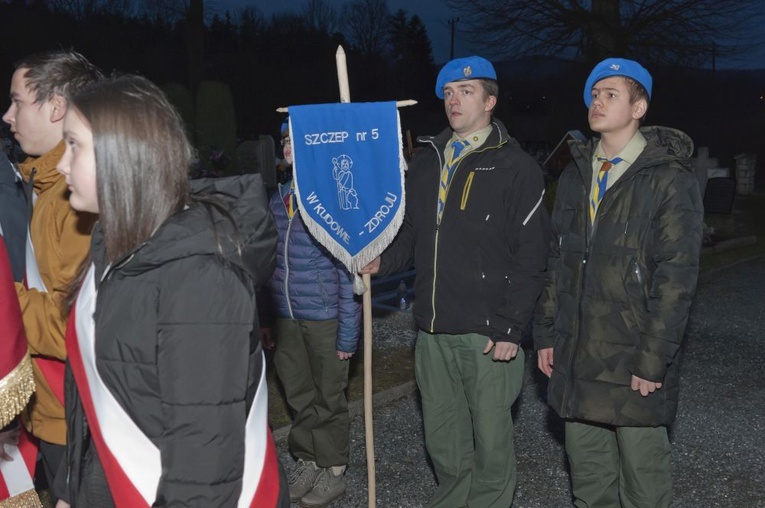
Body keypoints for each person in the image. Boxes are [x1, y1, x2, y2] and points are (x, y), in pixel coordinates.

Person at [54, 74, 288, 507]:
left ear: (122, 156)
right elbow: (102, 399)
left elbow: (203, 470)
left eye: (74, 146)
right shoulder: (112, 247)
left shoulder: (201, 280)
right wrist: (72, 491)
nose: (60, 164)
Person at [361, 55, 549, 507]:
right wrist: (381, 262)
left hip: (487, 333)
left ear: (490, 101)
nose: (454, 101)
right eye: (447, 93)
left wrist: (510, 327)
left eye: (466, 92)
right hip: (431, 328)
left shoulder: (516, 167)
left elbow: (534, 257)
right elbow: (410, 233)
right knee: (443, 441)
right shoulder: (427, 161)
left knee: (491, 442)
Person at [535, 58, 703, 507]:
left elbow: (676, 278)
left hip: (633, 356)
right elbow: (558, 258)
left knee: (643, 482)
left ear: (639, 106)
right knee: (589, 479)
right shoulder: (575, 175)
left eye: (611, 94)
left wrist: (654, 359)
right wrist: (547, 332)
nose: (598, 102)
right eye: (594, 94)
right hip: (576, 352)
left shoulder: (668, 179)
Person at [2, 49, 101, 500]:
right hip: (51, 405)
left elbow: (72, 324)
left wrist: (6, 301)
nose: (8, 115)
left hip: (71, 410)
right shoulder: (44, 182)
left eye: (18, 101)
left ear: (56, 107)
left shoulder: (73, 196)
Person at [260, 120, 361, 507]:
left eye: (296, 140)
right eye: (285, 139)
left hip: (324, 317)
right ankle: (307, 458)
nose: (288, 146)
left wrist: (348, 334)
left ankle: (333, 468)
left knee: (329, 395)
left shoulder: (330, 200)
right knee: (299, 393)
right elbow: (268, 264)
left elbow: (345, 270)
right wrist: (266, 318)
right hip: (285, 315)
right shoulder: (276, 199)